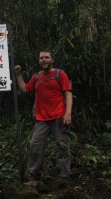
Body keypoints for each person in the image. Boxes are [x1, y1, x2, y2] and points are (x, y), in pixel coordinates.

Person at [14, 49, 73, 182]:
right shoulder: (37, 76)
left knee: (63, 146)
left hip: (59, 116)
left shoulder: (60, 74)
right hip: (41, 119)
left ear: (52, 60)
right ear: (39, 61)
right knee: (35, 145)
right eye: (41, 58)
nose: (44, 60)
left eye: (46, 57)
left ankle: (63, 176)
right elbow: (25, 89)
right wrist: (18, 75)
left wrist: (68, 113)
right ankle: (33, 176)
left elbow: (68, 94)